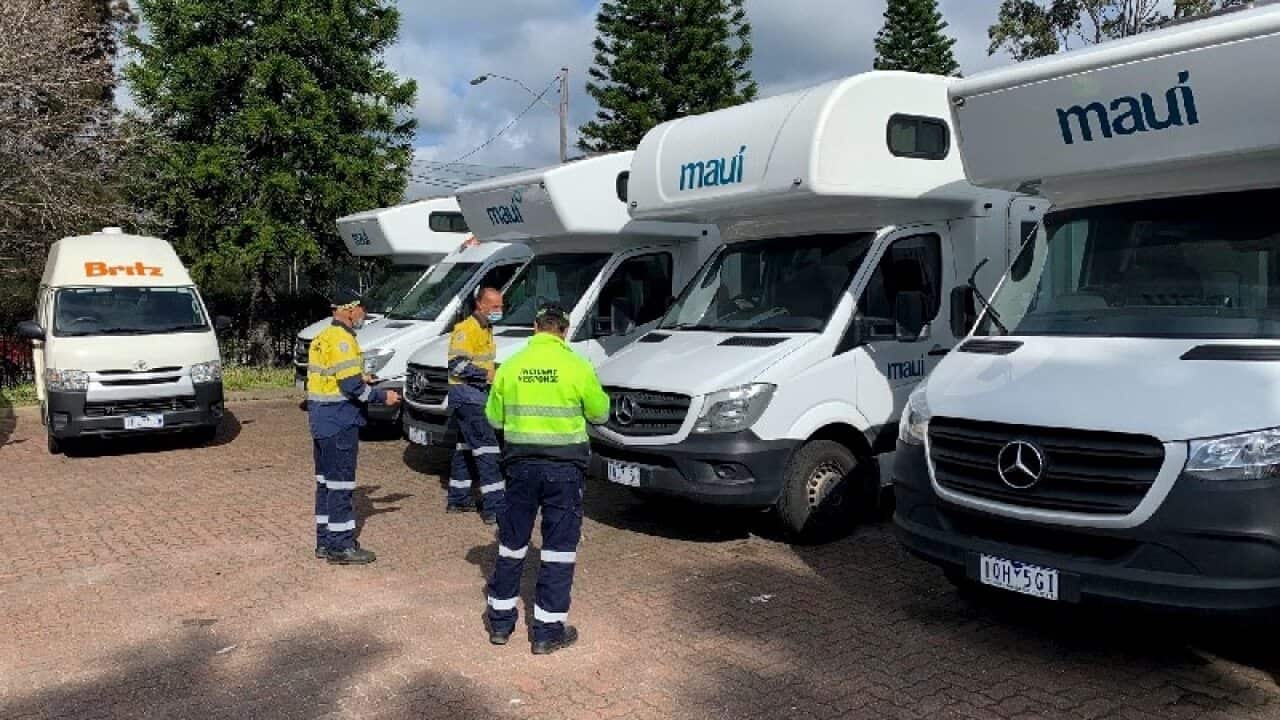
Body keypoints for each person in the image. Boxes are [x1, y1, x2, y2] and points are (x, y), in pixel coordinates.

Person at [483, 304, 610, 655]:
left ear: (534, 327)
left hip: (520, 468)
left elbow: (493, 418)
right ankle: (546, 632)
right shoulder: (577, 366)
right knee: (558, 551)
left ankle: (500, 624)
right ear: (564, 331)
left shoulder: (511, 366)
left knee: (511, 544)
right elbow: (601, 412)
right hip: (564, 471)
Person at [308, 290, 400, 565]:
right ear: (350, 310)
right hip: (340, 421)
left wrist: (362, 378)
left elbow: (335, 377)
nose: (364, 315)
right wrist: (383, 396)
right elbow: (351, 387)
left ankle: (325, 541)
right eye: (363, 310)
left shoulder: (323, 336)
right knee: (341, 485)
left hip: (322, 420)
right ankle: (341, 546)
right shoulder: (343, 340)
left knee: (325, 484)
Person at [445, 286, 507, 524]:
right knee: (488, 451)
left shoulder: (486, 328)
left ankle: (459, 498)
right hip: (469, 397)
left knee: (465, 448)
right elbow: (456, 365)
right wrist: (486, 375)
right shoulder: (466, 329)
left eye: (501, 306)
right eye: (495, 306)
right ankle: (495, 508)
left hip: (473, 395)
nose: (499, 310)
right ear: (480, 305)